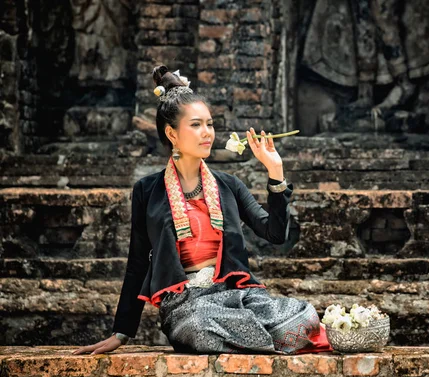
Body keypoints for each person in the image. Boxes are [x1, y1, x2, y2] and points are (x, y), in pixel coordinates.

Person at [72, 65, 333, 355]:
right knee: (199, 327)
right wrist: (121, 333)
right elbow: (137, 263)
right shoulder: (147, 191)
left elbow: (275, 233)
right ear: (172, 133)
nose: (207, 132)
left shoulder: (229, 185)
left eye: (209, 124)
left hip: (234, 295)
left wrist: (275, 172)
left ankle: (253, 337)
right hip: (186, 304)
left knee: (305, 316)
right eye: (196, 125)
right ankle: (265, 340)